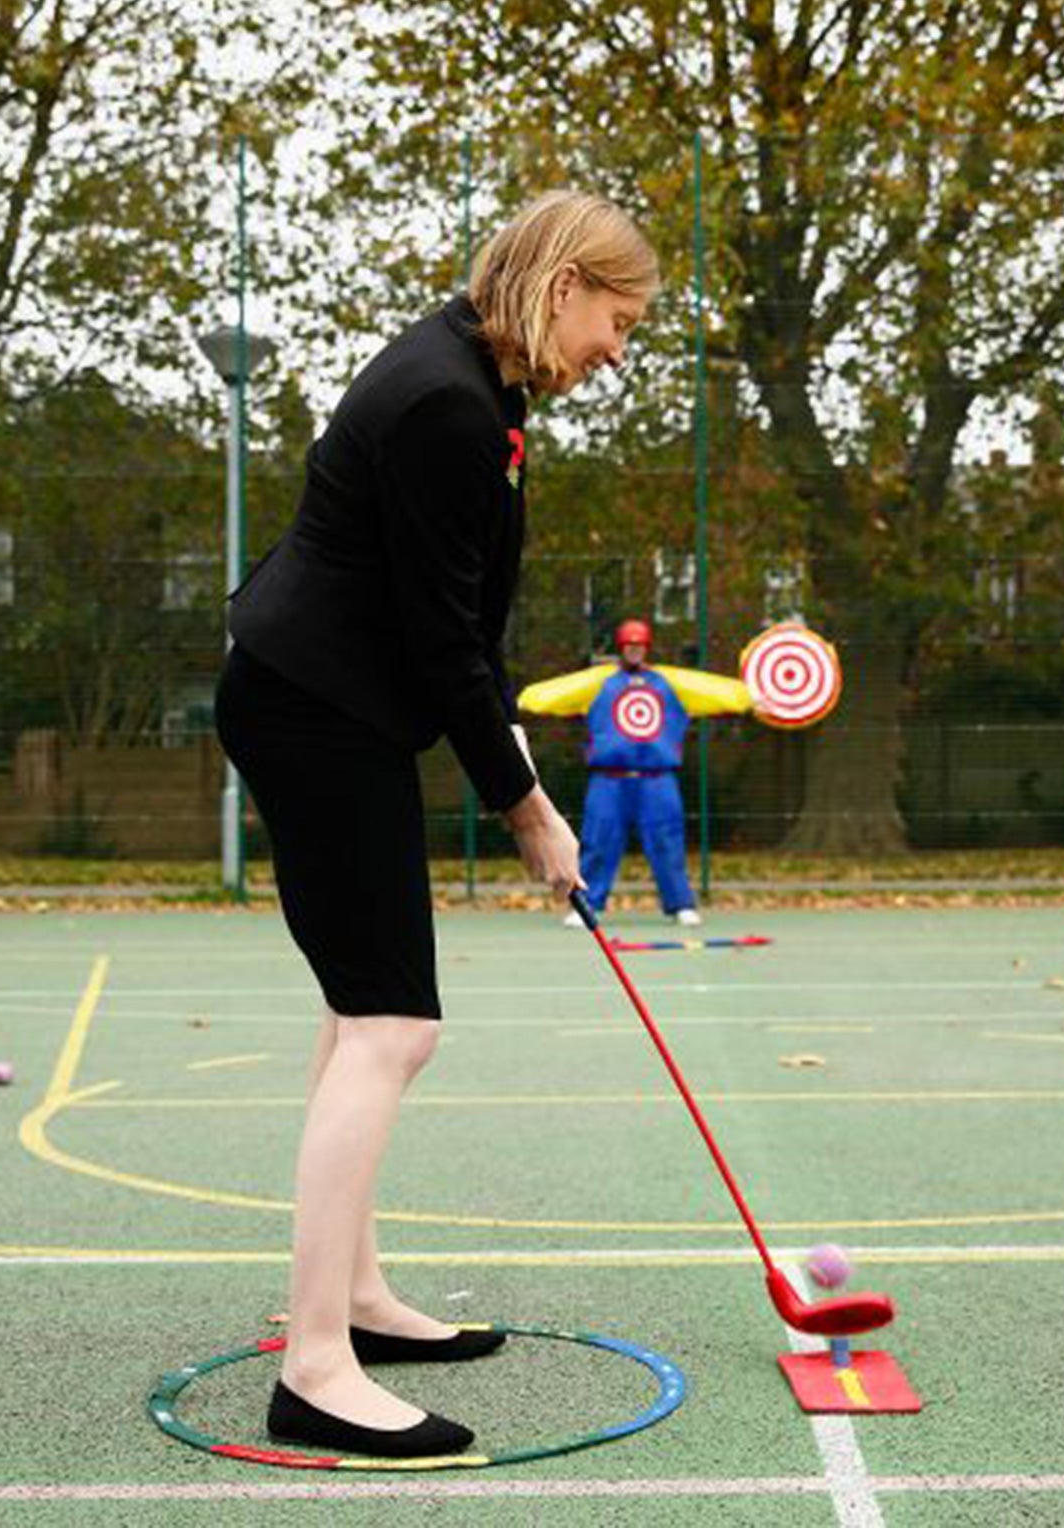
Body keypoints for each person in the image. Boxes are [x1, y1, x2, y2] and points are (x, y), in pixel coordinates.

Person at [213, 191, 658, 1458]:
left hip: (333, 707)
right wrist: (525, 808)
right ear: (562, 283)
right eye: (614, 319)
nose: (616, 349)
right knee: (396, 1025)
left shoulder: (479, 382)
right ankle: (313, 1367)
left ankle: (350, 1300)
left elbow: (461, 628)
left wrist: (522, 778)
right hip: (313, 712)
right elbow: (435, 638)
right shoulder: (444, 404)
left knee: (364, 1013)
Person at [568, 619, 705, 927]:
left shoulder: (667, 683)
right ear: (621, 648)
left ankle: (680, 904)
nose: (634, 651)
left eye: (639, 645)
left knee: (667, 842)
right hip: (608, 778)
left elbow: (714, 697)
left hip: (656, 777)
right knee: (598, 840)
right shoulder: (601, 683)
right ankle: (588, 904)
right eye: (629, 646)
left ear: (647, 648)